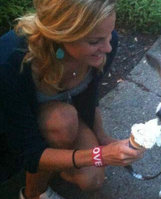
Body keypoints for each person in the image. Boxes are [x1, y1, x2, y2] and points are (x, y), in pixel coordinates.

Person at [0, 0, 145, 198]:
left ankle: (56, 161)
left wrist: (102, 137)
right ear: (61, 35)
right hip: (11, 130)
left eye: (109, 33)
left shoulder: (107, 44)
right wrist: (98, 155)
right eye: (94, 41)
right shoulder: (11, 65)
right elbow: (29, 153)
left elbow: (89, 94)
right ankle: (33, 192)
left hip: (55, 114)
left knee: (92, 180)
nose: (108, 48)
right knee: (62, 121)